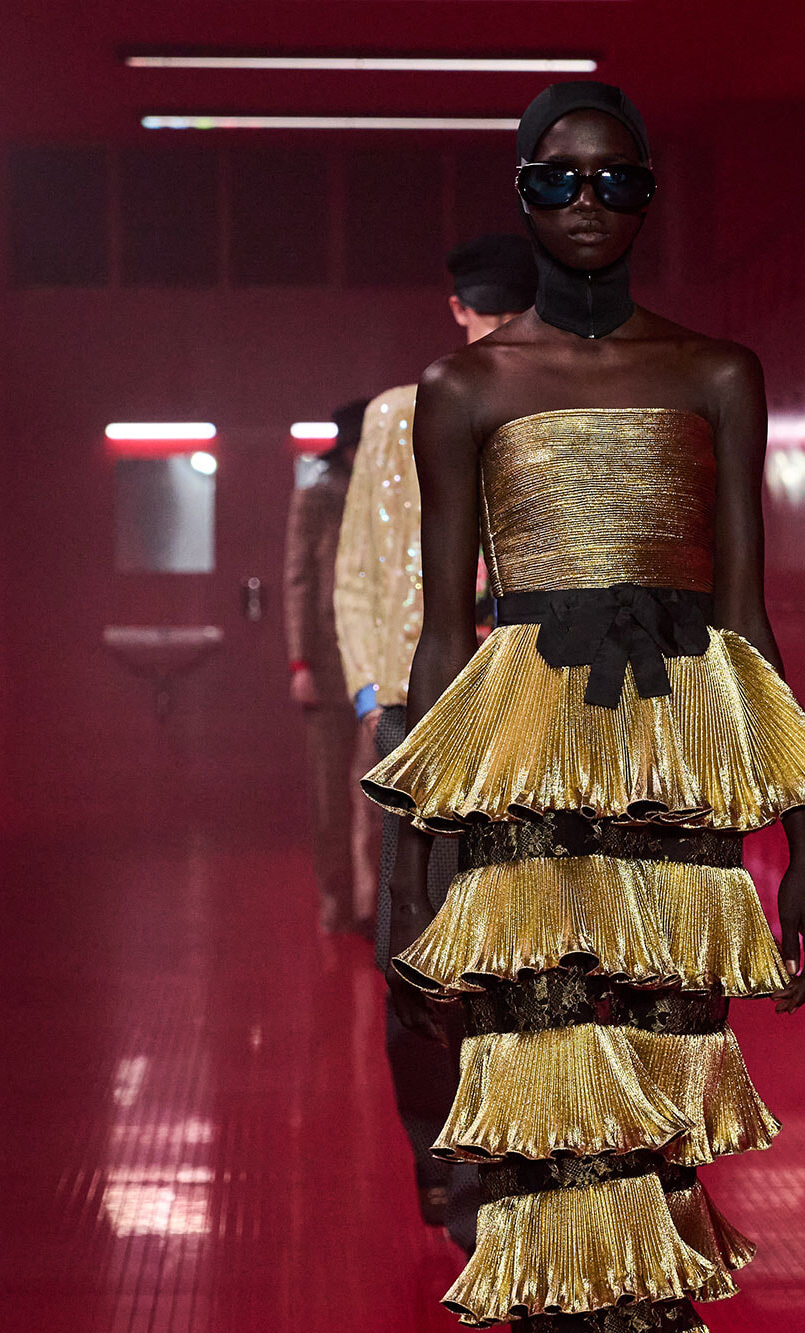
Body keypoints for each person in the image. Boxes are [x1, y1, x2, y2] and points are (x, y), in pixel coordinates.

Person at [349, 82, 805, 1333]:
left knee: (660, 1117)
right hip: (529, 759)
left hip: (676, 759)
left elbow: (748, 612)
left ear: (648, 196)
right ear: (523, 196)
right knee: (549, 1112)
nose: (586, 202)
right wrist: (413, 855)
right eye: (557, 179)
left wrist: (803, 841)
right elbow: (443, 638)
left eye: (613, 181)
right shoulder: (464, 389)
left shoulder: (717, 372)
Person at [333, 236, 536, 1236]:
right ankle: (439, 1149)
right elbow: (362, 567)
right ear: (456, 311)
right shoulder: (399, 417)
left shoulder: (561, 409)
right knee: (415, 939)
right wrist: (377, 698)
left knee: (521, 942)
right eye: (484, 314)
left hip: (533, 703)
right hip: (420, 705)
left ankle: (494, 1172)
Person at [282, 398, 379, 935]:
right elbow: (297, 580)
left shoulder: (388, 497)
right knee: (327, 792)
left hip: (371, 664)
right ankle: (336, 900)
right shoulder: (315, 498)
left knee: (370, 783)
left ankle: (367, 904)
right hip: (324, 660)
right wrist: (300, 662)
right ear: (348, 448)